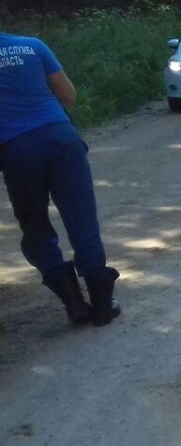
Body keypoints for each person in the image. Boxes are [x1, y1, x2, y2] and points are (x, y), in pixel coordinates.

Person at [0, 31, 121, 326]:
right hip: (61, 139)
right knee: (82, 220)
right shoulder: (32, 46)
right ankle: (103, 305)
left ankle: (74, 304)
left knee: (35, 226)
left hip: (16, 150)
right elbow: (68, 97)